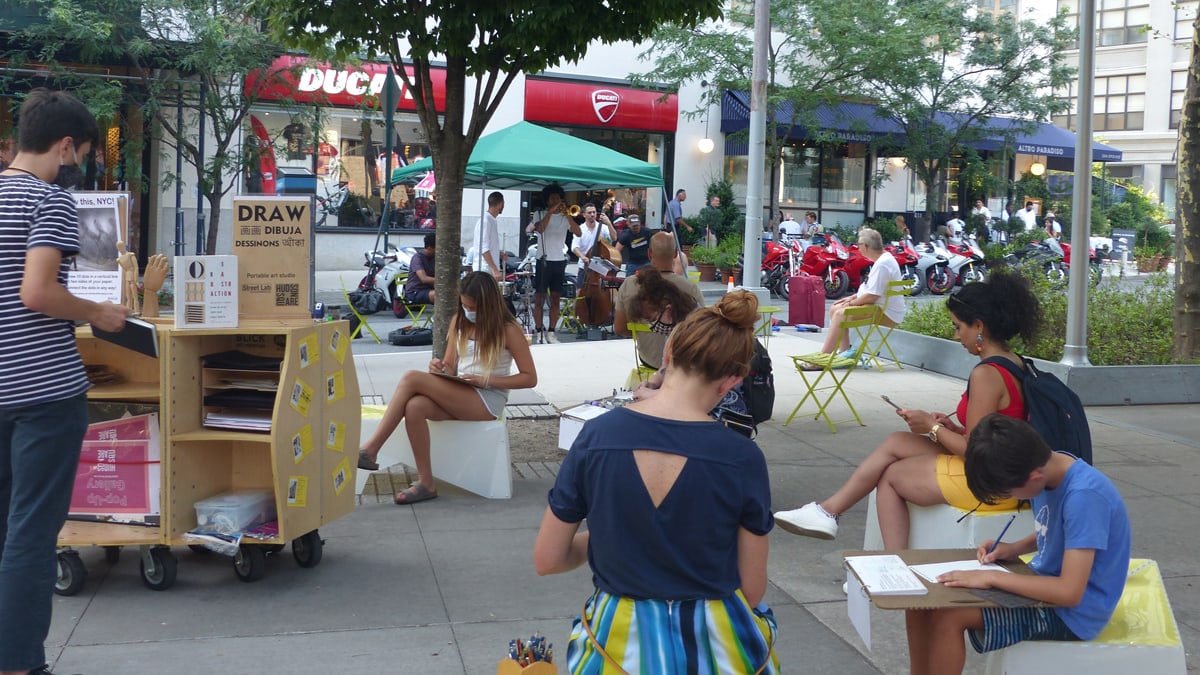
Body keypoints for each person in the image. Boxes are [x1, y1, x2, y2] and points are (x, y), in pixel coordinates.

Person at [533, 291, 779, 674]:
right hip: (713, 642)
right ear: (733, 380)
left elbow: (548, 559)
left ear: (668, 352)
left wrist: (620, 534)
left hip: (617, 643)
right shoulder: (741, 457)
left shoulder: (597, 437)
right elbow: (751, 589)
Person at [0, 88, 131, 675]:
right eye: (81, 154)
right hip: (43, 392)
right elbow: (38, 291)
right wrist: (98, 312)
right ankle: (19, 663)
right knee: (30, 534)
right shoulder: (49, 200)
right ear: (66, 145)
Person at [775, 271, 1040, 549]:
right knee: (897, 441)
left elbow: (974, 450)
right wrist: (952, 428)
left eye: (958, 327)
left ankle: (893, 562)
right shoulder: (1014, 362)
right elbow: (996, 429)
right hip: (1004, 469)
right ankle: (827, 512)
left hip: (991, 483)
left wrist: (932, 427)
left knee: (891, 477)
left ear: (979, 326)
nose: (957, 336)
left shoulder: (987, 374)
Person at [906, 414, 1130, 675]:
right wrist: (1014, 548)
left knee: (949, 617)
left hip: (1074, 615)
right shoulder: (1050, 468)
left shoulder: (1084, 497)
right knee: (922, 602)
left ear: (1034, 477)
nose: (1011, 497)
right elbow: (1061, 529)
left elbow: (1069, 592)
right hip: (1043, 587)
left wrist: (991, 578)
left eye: (1009, 492)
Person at [357, 272, 537, 504]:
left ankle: (371, 449)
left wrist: (487, 380)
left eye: (473, 307)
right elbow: (450, 367)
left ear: (488, 305)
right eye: (465, 305)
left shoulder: (508, 329)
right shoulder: (459, 321)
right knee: (415, 406)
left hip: (488, 398)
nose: (468, 311)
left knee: (411, 378)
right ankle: (426, 483)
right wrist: (439, 367)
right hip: (463, 390)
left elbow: (529, 378)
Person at [614, 233, 704, 370]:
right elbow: (702, 329)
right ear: (675, 254)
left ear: (649, 254)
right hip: (679, 362)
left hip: (647, 359)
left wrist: (645, 332)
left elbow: (619, 328)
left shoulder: (629, 284)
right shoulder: (690, 288)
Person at [816, 228, 905, 357]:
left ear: (866, 246)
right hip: (880, 307)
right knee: (835, 308)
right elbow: (871, 289)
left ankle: (823, 356)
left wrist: (851, 303)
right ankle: (845, 353)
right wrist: (852, 298)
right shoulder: (883, 259)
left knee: (841, 313)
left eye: (859, 245)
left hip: (886, 312)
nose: (858, 248)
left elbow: (872, 296)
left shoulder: (882, 264)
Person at [527, 184, 580, 344]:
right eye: (553, 198)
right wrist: (550, 212)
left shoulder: (565, 217)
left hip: (559, 261)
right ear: (547, 200)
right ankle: (539, 332)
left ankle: (551, 332)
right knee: (540, 298)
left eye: (558, 198)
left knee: (556, 299)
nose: (556, 200)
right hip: (543, 260)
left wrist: (568, 216)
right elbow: (540, 229)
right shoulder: (540, 214)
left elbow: (578, 232)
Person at [569, 203, 615, 288]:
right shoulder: (580, 229)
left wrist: (609, 223)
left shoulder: (603, 227)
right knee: (580, 291)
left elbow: (614, 238)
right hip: (584, 267)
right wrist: (583, 257)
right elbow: (574, 247)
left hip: (600, 267)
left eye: (594, 212)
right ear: (584, 215)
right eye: (589, 213)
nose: (592, 214)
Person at [473, 191, 505, 280]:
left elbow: (486, 246)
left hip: (487, 270)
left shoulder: (490, 220)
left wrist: (498, 254)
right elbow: (483, 248)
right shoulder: (486, 221)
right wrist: (494, 269)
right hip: (484, 270)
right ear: (500, 204)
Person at [403, 232, 436, 305]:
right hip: (414, 292)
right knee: (439, 296)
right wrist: (443, 281)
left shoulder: (435, 259)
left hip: (429, 290)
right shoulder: (417, 258)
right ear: (429, 248)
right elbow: (423, 278)